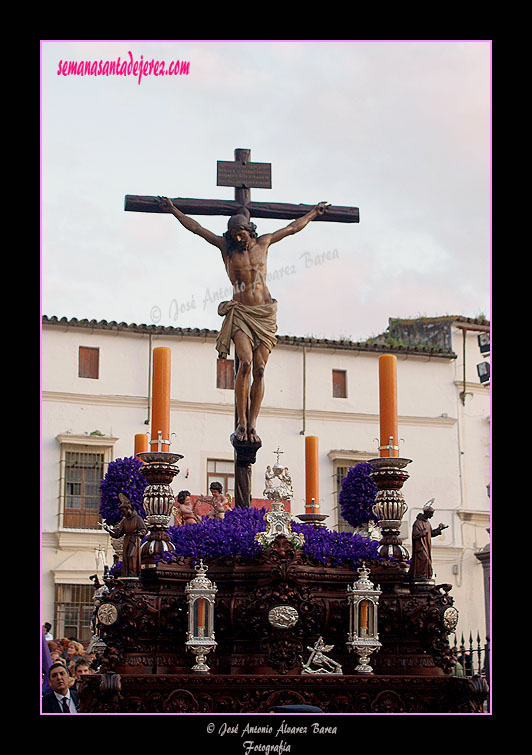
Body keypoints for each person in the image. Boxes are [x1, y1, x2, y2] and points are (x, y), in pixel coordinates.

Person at [158, 196, 329, 443]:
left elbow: (292, 228)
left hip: (264, 314)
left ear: (250, 231)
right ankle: (241, 422)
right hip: (240, 313)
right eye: (233, 234)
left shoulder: (265, 242)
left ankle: (253, 424)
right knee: (245, 364)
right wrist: (174, 210)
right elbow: (196, 228)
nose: (237, 238)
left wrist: (314, 213)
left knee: (259, 370)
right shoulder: (226, 249)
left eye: (241, 233)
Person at [101, 496, 147, 577]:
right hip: (127, 540)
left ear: (128, 509)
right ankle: (127, 574)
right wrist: (108, 530)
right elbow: (118, 532)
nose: (122, 513)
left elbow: (143, 529)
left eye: (123, 511)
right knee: (126, 558)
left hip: (134, 539)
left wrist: (140, 533)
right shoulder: (124, 521)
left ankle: (134, 573)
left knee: (132, 556)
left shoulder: (137, 519)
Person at [409, 502, 449, 579]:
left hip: (426, 546)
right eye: (431, 514)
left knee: (427, 561)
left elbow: (431, 533)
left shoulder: (427, 523)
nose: (432, 515)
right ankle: (420, 575)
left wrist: (439, 529)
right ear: (426, 513)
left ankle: (426, 575)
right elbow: (415, 535)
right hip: (420, 546)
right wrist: (423, 533)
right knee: (424, 559)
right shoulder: (417, 523)